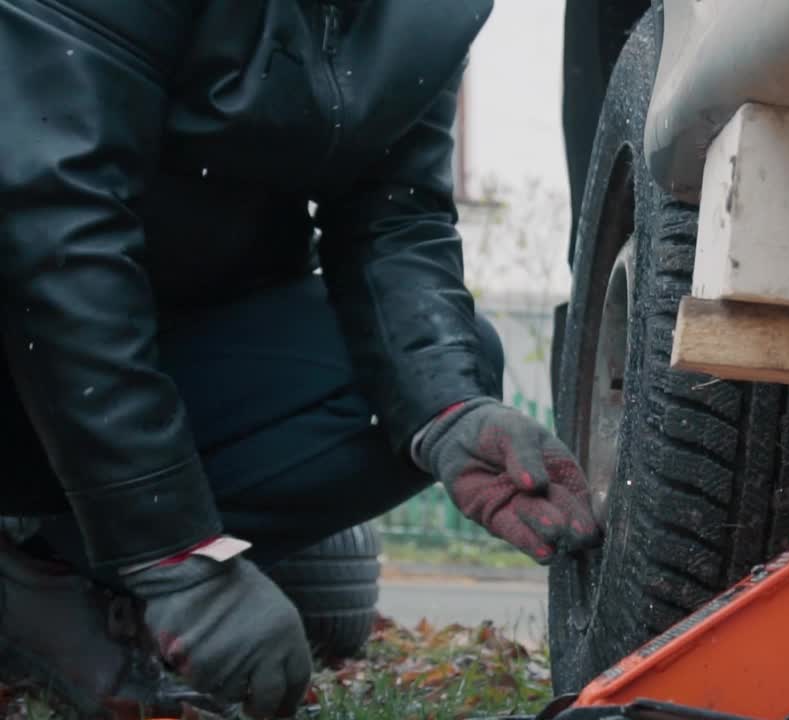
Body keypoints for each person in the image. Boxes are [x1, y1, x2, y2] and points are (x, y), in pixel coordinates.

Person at [0, 1, 602, 717]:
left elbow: (397, 214)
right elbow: (56, 233)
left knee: (453, 364)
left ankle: (41, 574)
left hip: (167, 336)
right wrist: (174, 556)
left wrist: (448, 408)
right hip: (29, 323)